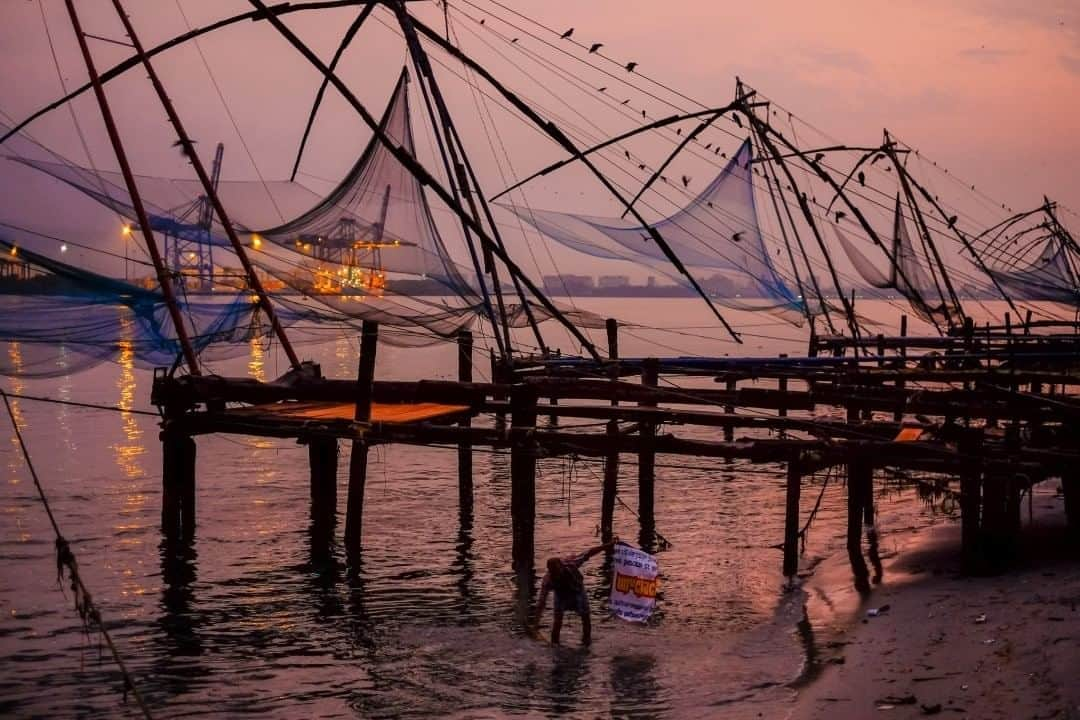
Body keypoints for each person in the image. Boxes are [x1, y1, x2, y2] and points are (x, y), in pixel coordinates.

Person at [531, 538, 617, 645]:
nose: (557, 575)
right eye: (554, 574)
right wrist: (535, 625)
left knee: (585, 618)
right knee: (557, 621)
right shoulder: (548, 580)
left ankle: (586, 643)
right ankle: (555, 645)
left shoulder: (571, 563)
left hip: (577, 591)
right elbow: (541, 603)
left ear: (562, 567)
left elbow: (589, 553)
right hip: (561, 595)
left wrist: (609, 545)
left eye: (558, 572)